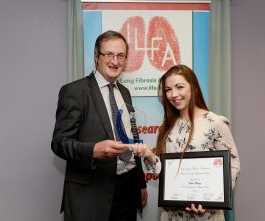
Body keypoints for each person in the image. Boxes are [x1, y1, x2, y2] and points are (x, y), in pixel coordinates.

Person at [51, 30, 155, 221]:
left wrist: (140, 183)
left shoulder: (125, 92)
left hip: (127, 191)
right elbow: (59, 142)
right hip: (91, 193)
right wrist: (93, 150)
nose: (115, 61)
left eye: (121, 56)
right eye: (109, 54)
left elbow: (132, 138)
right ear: (97, 57)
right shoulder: (74, 91)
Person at [155, 64, 241, 221]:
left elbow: (233, 164)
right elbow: (163, 171)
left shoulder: (215, 122)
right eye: (168, 90)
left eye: (179, 87)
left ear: (193, 87)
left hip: (206, 214)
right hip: (171, 215)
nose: (174, 94)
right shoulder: (166, 128)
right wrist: (149, 157)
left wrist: (213, 199)